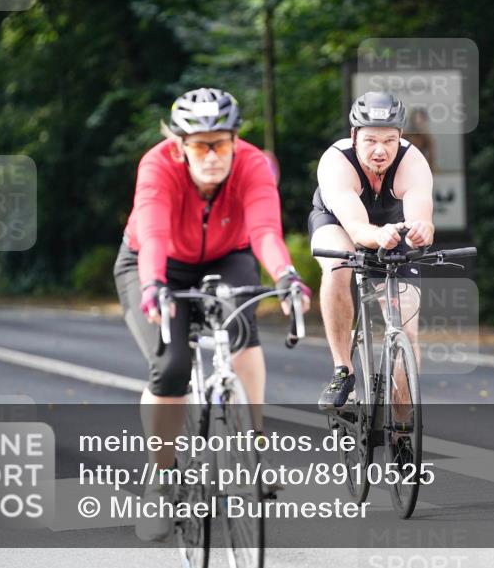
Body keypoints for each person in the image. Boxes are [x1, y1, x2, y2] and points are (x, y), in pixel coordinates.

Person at [114, 87, 310, 541]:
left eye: (221, 142)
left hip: (227, 255)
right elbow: (155, 230)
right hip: (153, 263)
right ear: (180, 144)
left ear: (235, 140)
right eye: (200, 144)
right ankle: (161, 480)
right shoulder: (157, 165)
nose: (212, 154)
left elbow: (263, 229)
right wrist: (154, 286)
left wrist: (285, 274)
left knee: (242, 331)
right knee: (171, 365)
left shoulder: (252, 164)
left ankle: (251, 446)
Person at [308, 91, 434, 410]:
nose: (380, 150)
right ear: (354, 136)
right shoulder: (337, 162)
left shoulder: (413, 161)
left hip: (392, 227)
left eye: (389, 141)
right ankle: (342, 370)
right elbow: (357, 230)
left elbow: (422, 220)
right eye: (371, 141)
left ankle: (403, 428)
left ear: (400, 138)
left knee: (407, 327)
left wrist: (421, 231)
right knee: (337, 265)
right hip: (340, 223)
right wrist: (379, 237)